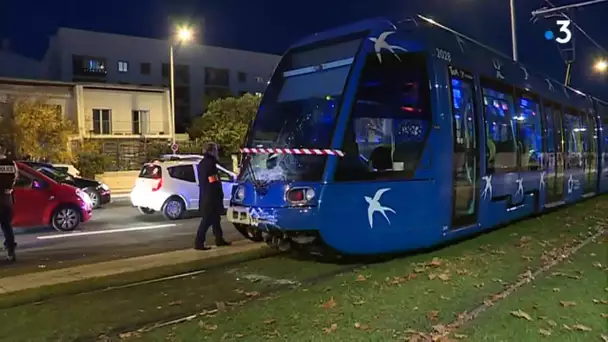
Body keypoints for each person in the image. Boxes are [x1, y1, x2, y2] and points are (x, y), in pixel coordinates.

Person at [194, 142, 231, 250]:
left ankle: (219, 239)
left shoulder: (202, 163)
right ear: (211, 151)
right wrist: (218, 193)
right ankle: (199, 243)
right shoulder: (210, 164)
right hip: (211, 197)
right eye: (215, 150)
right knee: (207, 220)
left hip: (206, 195)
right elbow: (213, 181)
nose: (217, 152)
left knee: (215, 219)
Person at [0, 144, 17, 262]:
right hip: (7, 200)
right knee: (7, 226)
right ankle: (11, 252)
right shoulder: (12, 164)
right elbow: (15, 179)